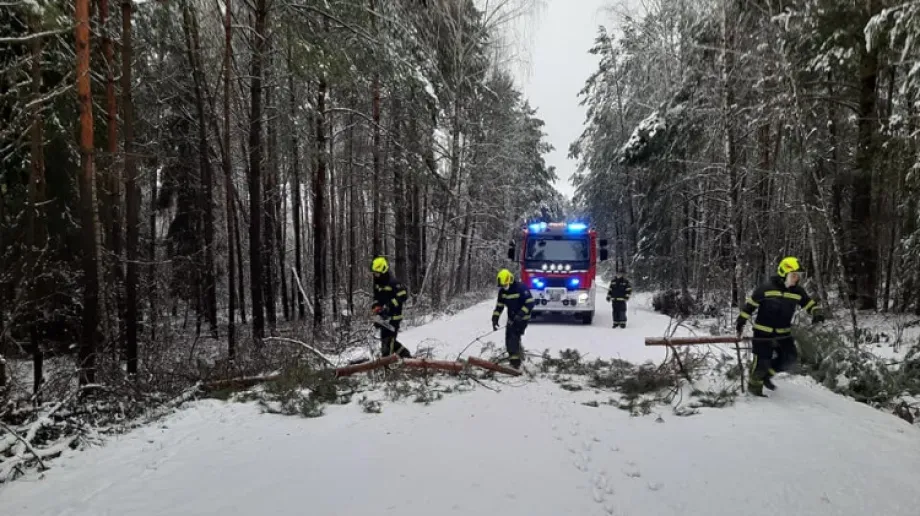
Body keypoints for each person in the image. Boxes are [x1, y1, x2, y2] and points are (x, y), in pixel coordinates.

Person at [736, 256, 825, 396]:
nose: (797, 278)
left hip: (783, 333)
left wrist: (816, 312)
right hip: (762, 333)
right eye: (794, 275)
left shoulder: (798, 292)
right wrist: (741, 321)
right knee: (762, 362)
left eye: (798, 276)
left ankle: (766, 376)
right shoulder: (765, 288)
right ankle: (754, 391)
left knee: (789, 358)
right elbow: (750, 306)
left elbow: (809, 304)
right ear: (784, 273)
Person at [491, 269, 535, 369]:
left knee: (514, 337)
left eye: (505, 285)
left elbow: (530, 303)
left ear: (509, 280)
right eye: (502, 286)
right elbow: (499, 306)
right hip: (511, 317)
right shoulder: (502, 292)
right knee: (508, 337)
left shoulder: (521, 288)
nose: (504, 287)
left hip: (522, 318)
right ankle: (515, 357)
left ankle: (515, 362)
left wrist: (520, 315)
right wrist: (495, 318)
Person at [371, 256, 412, 358]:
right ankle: (396, 360)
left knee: (390, 342)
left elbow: (403, 296)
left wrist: (389, 305)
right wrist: (376, 308)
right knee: (385, 342)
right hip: (383, 319)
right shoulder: (377, 285)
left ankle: (405, 358)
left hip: (394, 318)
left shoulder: (394, 283)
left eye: (378, 273)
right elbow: (377, 299)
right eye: (375, 273)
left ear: (384, 271)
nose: (376, 275)